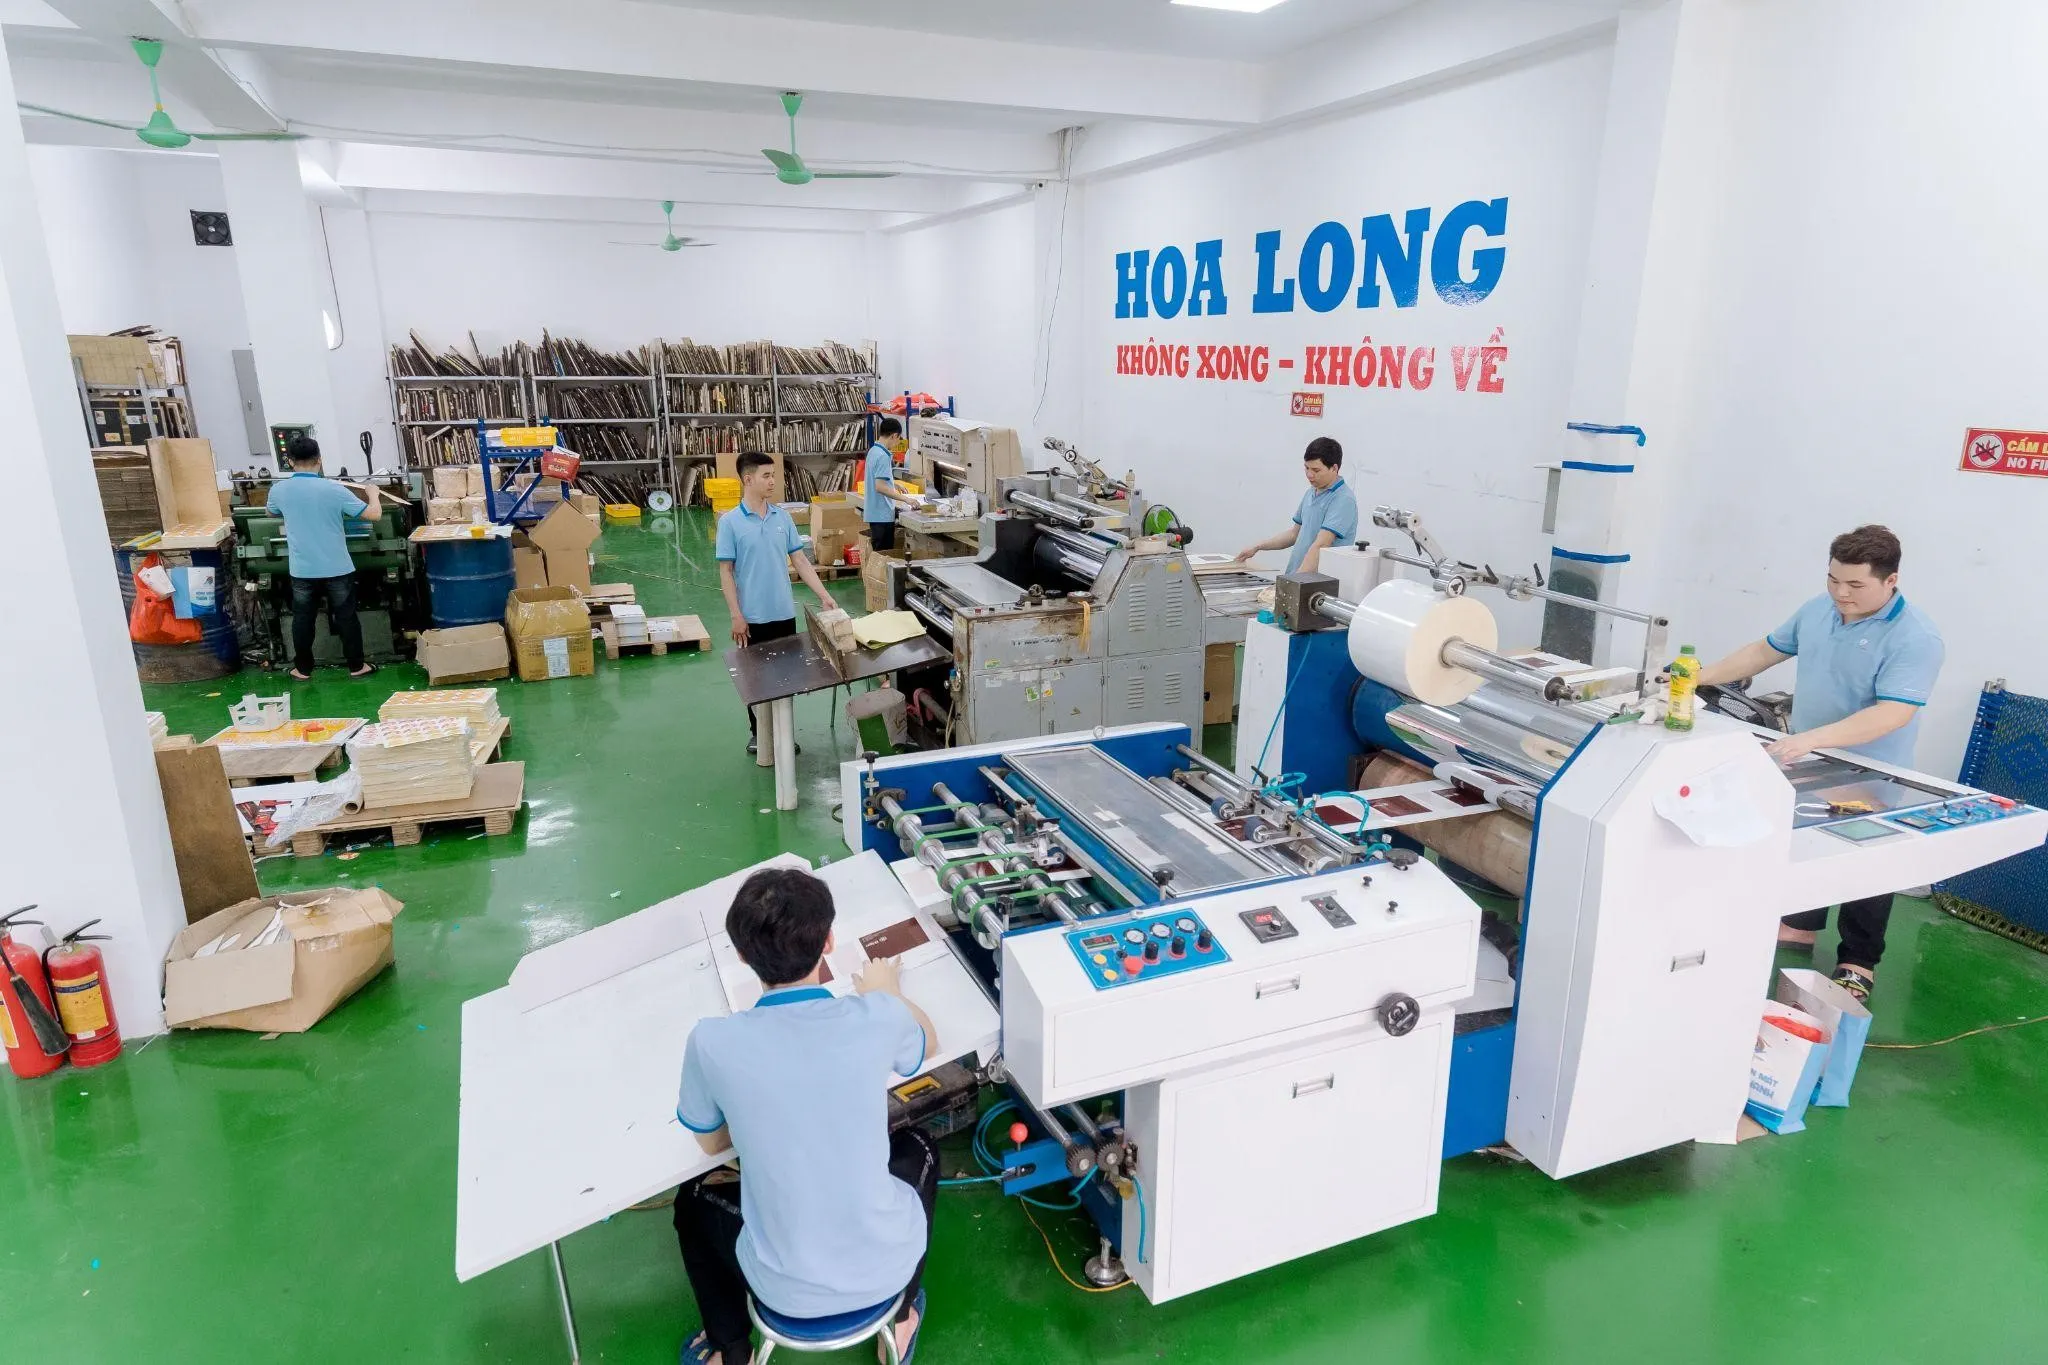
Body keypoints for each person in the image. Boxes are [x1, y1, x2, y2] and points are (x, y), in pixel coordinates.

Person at [673, 867, 940, 1365]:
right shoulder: (877, 1017)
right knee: (921, 1146)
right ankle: (901, 1319)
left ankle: (730, 1351)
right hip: (885, 1271)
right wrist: (887, 991)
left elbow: (710, 1145)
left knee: (692, 1197)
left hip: (782, 1291)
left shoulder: (712, 1041)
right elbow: (928, 1043)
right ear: (829, 942)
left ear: (742, 955)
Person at [1693, 525, 1944, 1002]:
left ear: (1890, 580)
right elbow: (1764, 651)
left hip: (1871, 769)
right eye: (1833, 579)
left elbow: (1894, 712)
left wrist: (1812, 738)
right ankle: (1800, 925)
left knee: (1867, 861)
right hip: (1810, 755)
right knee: (1803, 837)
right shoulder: (1818, 610)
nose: (1840, 593)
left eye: (1855, 585)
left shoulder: (1915, 637)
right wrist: (1697, 677)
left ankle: (1859, 960)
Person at [717, 451, 837, 755]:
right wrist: (736, 615)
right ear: (748, 479)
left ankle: (783, 732)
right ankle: (758, 734)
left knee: (786, 677)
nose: (773, 481)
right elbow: (726, 572)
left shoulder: (782, 517)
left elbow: (800, 560)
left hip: (783, 613)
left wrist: (824, 596)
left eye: (774, 475)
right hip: (751, 617)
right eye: (766, 476)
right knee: (754, 679)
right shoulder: (730, 523)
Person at [262, 435, 384, 681]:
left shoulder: (279, 490)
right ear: (319, 459)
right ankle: (356, 666)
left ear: (290, 461)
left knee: (302, 619)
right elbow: (374, 515)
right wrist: (373, 493)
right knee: (346, 616)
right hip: (337, 567)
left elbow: (270, 512)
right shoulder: (334, 490)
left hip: (302, 569)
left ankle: (302, 669)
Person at [1232, 436, 1359, 576]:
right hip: (1298, 578)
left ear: (1334, 468)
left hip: (1317, 582)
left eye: (1316, 470)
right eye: (1306, 468)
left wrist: (1294, 582)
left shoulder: (1343, 499)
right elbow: (1294, 534)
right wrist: (1258, 547)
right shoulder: (1311, 492)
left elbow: (1322, 544)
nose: (1309, 475)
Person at [862, 417, 916, 552]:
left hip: (875, 512)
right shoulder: (883, 456)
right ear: (894, 436)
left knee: (879, 554)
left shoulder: (874, 451)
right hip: (882, 515)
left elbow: (877, 478)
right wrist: (906, 499)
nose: (897, 443)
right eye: (899, 439)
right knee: (884, 555)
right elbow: (880, 487)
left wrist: (894, 484)